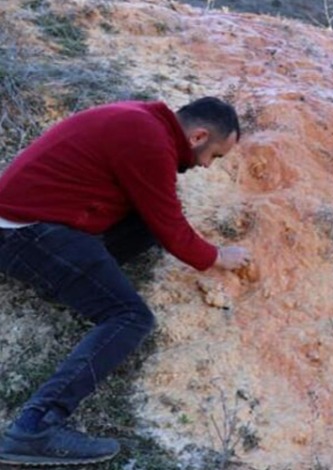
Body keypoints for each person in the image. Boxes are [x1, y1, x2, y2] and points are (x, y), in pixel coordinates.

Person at [0, 97, 251, 466]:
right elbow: (174, 230)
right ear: (198, 136)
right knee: (131, 317)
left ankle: (75, 283)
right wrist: (217, 257)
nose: (205, 166)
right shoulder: (147, 140)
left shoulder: (143, 120)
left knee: (145, 223)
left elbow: (159, 217)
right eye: (213, 156)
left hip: (36, 221)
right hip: (24, 232)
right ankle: (34, 428)